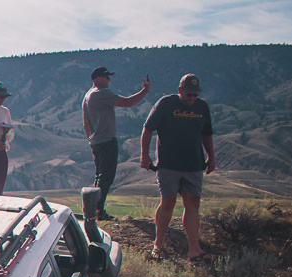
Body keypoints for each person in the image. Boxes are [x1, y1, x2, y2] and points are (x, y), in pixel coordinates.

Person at [141, 74, 216, 261]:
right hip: (168, 164)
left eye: (195, 95)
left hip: (193, 164)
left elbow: (207, 134)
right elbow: (148, 128)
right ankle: (158, 245)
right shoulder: (166, 104)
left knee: (193, 205)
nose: (192, 98)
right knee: (168, 202)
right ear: (180, 90)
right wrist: (144, 155)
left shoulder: (202, 107)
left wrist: (211, 156)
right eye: (189, 94)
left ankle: (194, 249)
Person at [82, 66, 150, 221]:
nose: (109, 80)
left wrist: (91, 140)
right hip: (106, 140)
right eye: (107, 77)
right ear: (98, 78)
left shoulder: (87, 96)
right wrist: (145, 91)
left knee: (100, 176)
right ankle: (98, 211)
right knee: (106, 177)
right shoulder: (101, 93)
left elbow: (85, 123)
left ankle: (94, 210)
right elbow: (128, 103)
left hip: (96, 141)